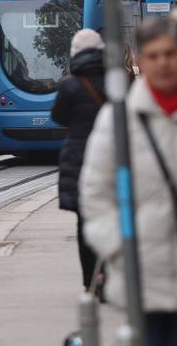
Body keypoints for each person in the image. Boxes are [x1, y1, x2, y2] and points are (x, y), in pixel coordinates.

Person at [80, 18, 177, 346]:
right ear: (140, 60)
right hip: (142, 279)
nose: (163, 63)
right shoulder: (118, 119)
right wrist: (119, 248)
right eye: (153, 55)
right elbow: (94, 194)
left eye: (170, 53)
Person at [51, 29, 106, 291]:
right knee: (112, 218)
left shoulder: (70, 84)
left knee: (85, 223)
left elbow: (59, 117)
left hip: (79, 158)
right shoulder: (115, 81)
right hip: (110, 156)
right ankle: (108, 272)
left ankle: (89, 281)